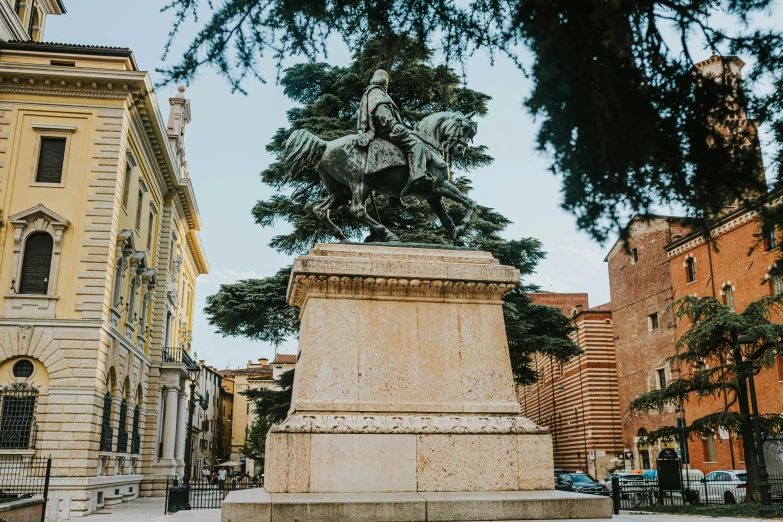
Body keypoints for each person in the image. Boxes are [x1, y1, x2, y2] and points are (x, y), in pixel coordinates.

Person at [357, 69, 432, 201]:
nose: (387, 83)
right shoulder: (377, 92)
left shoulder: (370, 92)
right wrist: (393, 124)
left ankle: (394, 197)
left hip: (382, 129)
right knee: (416, 144)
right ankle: (418, 176)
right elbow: (381, 111)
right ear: (383, 79)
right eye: (387, 80)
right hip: (386, 130)